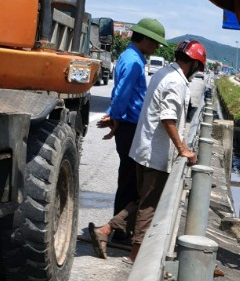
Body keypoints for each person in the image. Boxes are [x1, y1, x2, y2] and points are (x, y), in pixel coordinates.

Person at [87, 39, 207, 263]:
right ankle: (135, 255)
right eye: (198, 67)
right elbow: (168, 118)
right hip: (156, 154)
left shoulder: (164, 73)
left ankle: (106, 230)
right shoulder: (176, 82)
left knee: (142, 199)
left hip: (144, 149)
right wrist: (183, 149)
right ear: (193, 64)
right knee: (149, 206)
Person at [97, 17, 166, 222]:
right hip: (130, 126)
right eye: (154, 43)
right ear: (144, 39)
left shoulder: (128, 56)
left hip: (128, 124)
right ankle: (119, 229)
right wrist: (115, 118)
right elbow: (122, 93)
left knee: (128, 178)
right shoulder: (134, 61)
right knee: (130, 180)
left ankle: (120, 226)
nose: (156, 48)